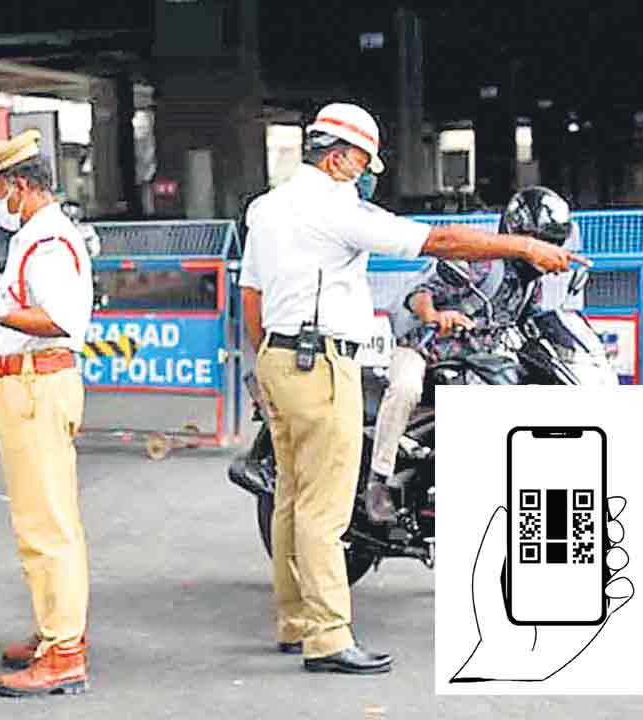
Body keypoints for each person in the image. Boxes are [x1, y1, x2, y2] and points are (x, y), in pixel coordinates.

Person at [238, 102, 586, 675]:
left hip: (280, 356)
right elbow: (438, 242)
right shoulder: (333, 207)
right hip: (322, 363)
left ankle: (294, 620)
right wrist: (522, 247)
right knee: (325, 509)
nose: (366, 171)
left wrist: (268, 362)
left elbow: (251, 293)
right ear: (341, 156)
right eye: (364, 161)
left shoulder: (267, 208)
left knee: (294, 501)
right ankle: (327, 639)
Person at [0, 129, 93, 698]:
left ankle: (63, 652)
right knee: (49, 520)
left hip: (35, 388)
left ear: (20, 186)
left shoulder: (47, 240)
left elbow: (57, 318)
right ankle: (55, 631)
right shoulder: (38, 235)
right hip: (29, 385)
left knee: (45, 526)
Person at [367, 186, 579, 522]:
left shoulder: (530, 283)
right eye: (543, 242)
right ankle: (377, 481)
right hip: (426, 351)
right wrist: (435, 316)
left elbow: (532, 324)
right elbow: (419, 293)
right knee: (405, 387)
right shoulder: (482, 263)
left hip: (476, 361)